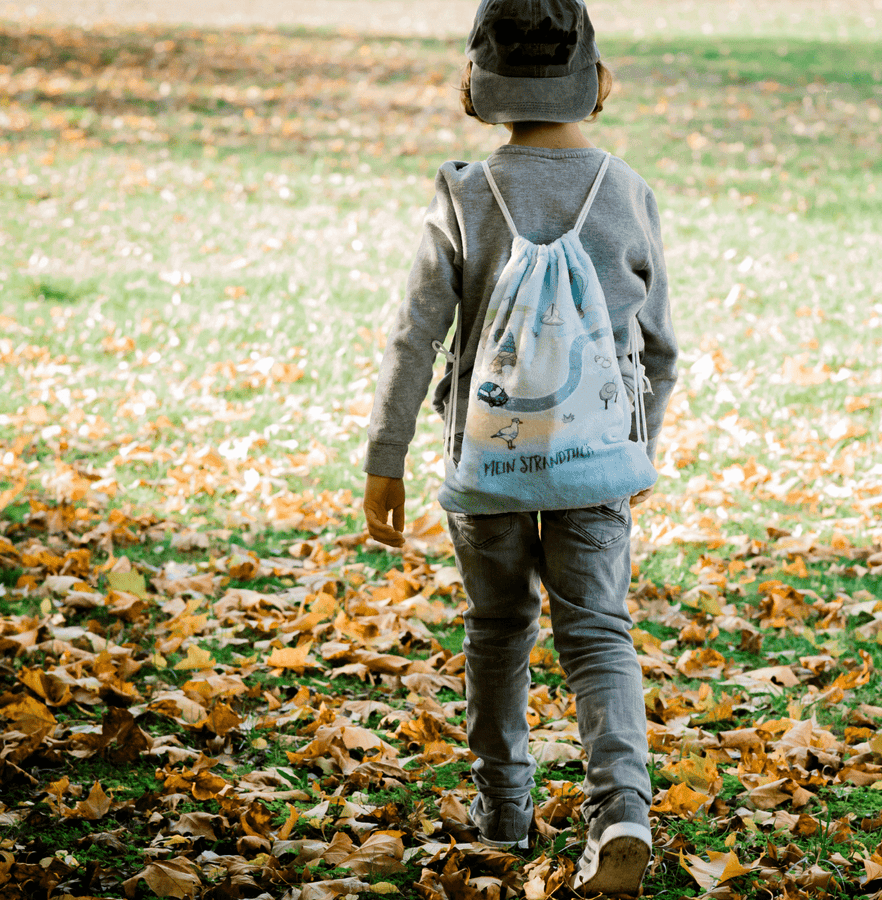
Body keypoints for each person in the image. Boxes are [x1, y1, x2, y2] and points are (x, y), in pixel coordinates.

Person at [360, 0, 676, 894]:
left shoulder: (464, 194)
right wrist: (637, 445)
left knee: (498, 628)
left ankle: (502, 810)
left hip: (486, 464)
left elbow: (412, 338)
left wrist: (386, 456)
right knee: (600, 634)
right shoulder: (626, 192)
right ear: (597, 80)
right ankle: (621, 809)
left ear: (477, 86)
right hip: (596, 464)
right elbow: (660, 351)